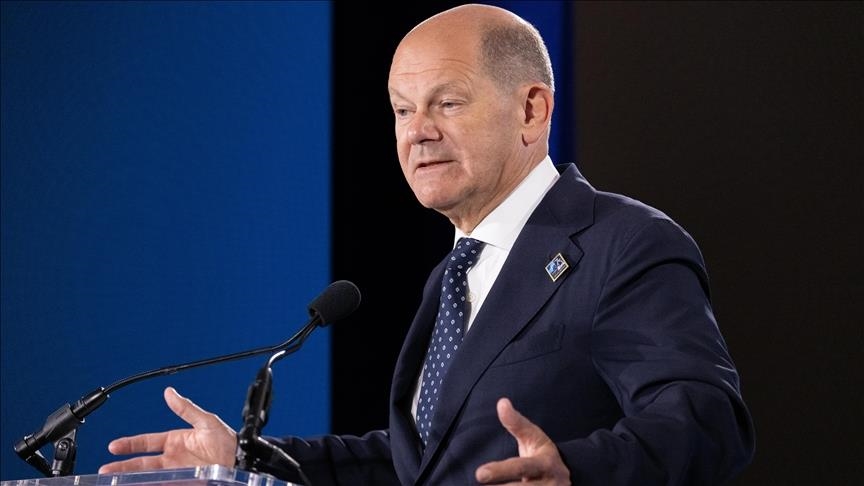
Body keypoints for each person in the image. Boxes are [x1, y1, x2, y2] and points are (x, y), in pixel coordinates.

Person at [99, 4, 755, 485]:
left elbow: (705, 422)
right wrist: (248, 461)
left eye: (448, 103)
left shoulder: (624, 244)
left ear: (531, 110)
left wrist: (573, 472)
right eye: (402, 109)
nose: (417, 132)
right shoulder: (453, 273)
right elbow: (418, 463)